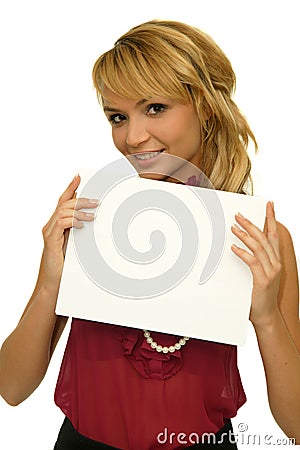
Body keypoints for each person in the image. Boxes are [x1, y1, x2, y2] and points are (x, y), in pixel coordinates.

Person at [0, 19, 299, 450]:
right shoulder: (90, 220)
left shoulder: (260, 240)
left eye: (155, 108)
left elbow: (297, 426)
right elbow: (11, 388)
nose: (133, 136)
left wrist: (266, 318)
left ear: (206, 106)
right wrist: (52, 283)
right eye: (117, 117)